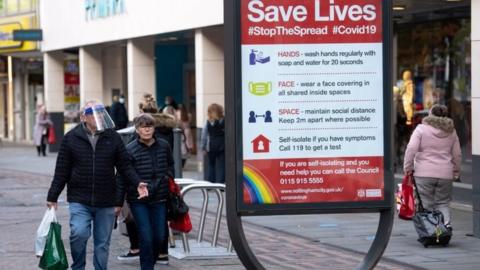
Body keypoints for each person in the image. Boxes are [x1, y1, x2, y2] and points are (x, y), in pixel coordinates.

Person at [46, 100, 148, 270]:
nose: (98, 115)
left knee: (102, 243)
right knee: (79, 233)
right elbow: (61, 170)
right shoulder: (71, 138)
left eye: (100, 112)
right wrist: (52, 196)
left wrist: (137, 183)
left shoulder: (112, 137)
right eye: (93, 112)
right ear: (83, 117)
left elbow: (124, 165)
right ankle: (78, 266)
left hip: (106, 200)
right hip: (79, 199)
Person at [117, 93, 176, 264]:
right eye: (143, 127)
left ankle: (154, 258)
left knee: (159, 236)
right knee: (146, 236)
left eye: (150, 126)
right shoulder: (129, 149)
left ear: (154, 128)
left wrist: (166, 179)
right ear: (137, 129)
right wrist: (118, 202)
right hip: (138, 200)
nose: (147, 129)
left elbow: (170, 166)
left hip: (159, 198)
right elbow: (122, 175)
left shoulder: (163, 146)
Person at [403, 104, 461, 231]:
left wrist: (408, 167)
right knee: (443, 203)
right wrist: (456, 171)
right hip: (445, 173)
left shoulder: (421, 129)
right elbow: (457, 154)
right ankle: (446, 226)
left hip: (423, 173)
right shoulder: (452, 131)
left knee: (426, 204)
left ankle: (431, 230)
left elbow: (411, 148)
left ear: (430, 114)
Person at [201, 103, 225, 183]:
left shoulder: (208, 122)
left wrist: (203, 147)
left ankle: (211, 183)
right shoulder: (223, 121)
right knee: (222, 166)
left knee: (211, 165)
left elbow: (204, 135)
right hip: (222, 146)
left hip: (211, 146)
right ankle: (221, 184)